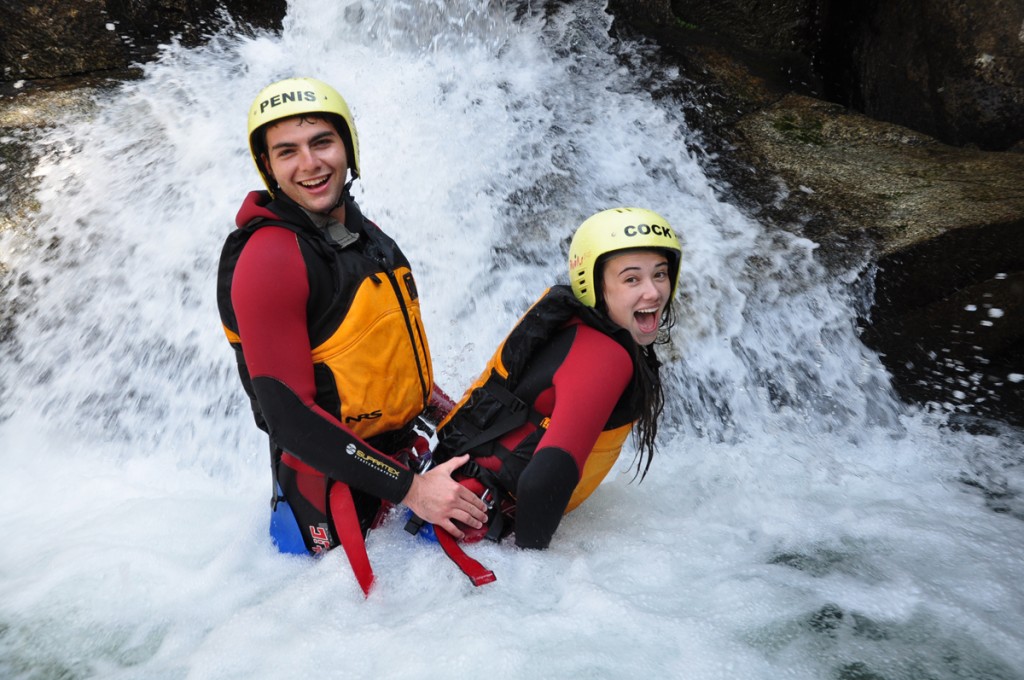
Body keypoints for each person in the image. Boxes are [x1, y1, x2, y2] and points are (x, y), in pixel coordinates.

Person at [216, 77, 487, 596]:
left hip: (399, 471)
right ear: (267, 166)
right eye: (287, 152)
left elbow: (368, 349)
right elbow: (289, 417)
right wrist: (413, 491)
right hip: (329, 506)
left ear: (348, 148)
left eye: (322, 142)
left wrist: (439, 408)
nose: (310, 164)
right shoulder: (270, 258)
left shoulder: (364, 235)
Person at [421, 207, 680, 559]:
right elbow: (544, 478)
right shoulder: (605, 356)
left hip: (450, 505)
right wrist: (535, 576)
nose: (652, 292)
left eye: (660, 275)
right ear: (595, 282)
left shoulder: (583, 329)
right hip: (471, 533)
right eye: (631, 279)